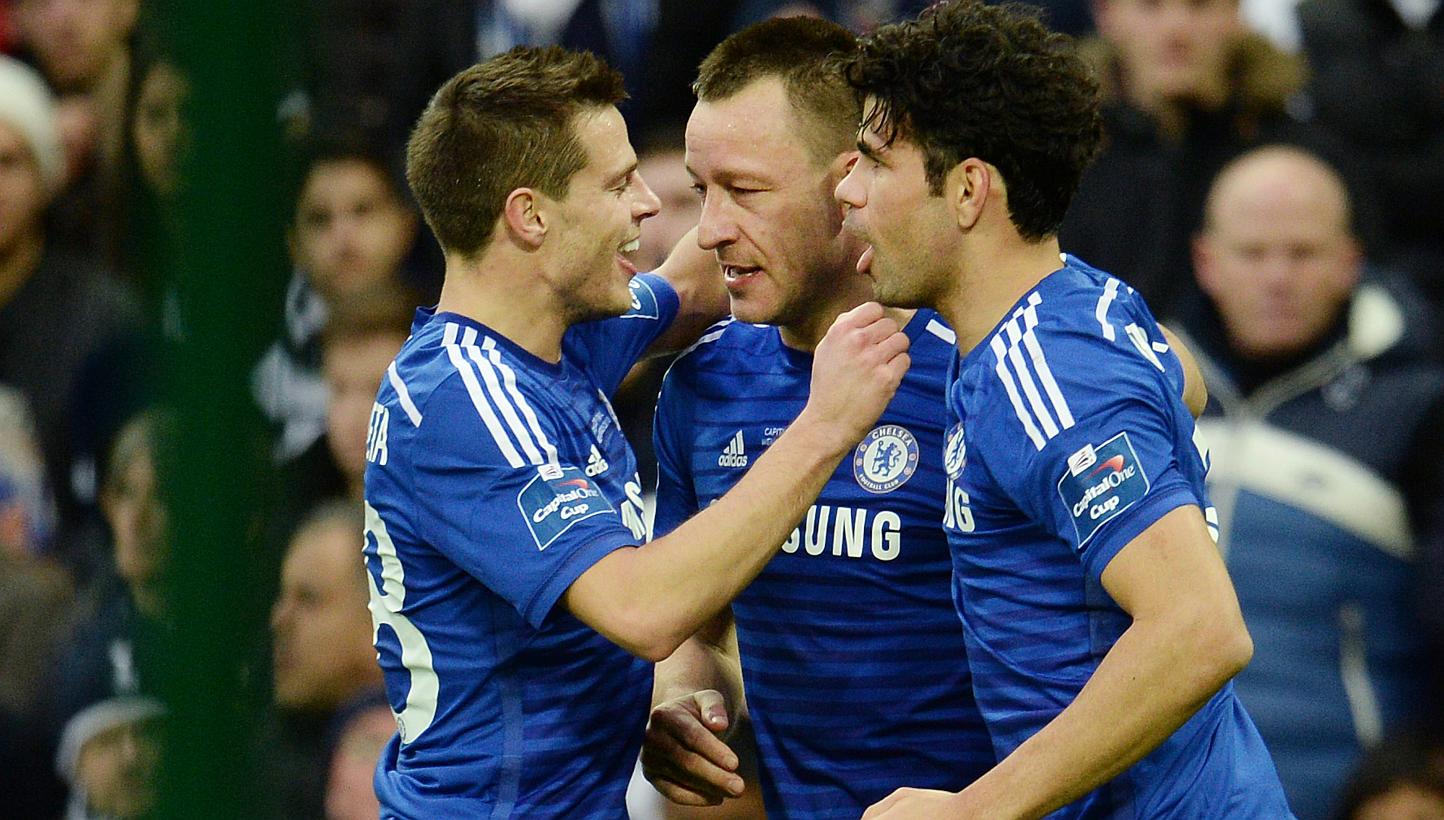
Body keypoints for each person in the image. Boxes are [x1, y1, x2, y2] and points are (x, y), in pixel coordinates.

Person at [365, 44, 909, 816]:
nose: (651, 208)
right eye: (619, 184)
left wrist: (824, 173)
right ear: (530, 216)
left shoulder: (557, 336)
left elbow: (695, 278)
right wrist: (825, 426)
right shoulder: (463, 400)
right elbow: (644, 610)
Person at [833, 1, 1291, 815]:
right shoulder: (1069, 306)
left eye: (873, 161)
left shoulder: (1046, 368)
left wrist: (974, 811)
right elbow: (1180, 381)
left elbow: (1200, 627)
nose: (846, 188)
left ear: (967, 190)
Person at [642, 17, 991, 819]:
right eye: (702, 191)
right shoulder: (702, 385)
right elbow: (694, 627)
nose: (709, 230)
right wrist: (684, 697)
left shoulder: (982, 366)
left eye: (744, 191)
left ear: (849, 184)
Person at [1185, 145, 1444, 819]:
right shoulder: (1141, 392)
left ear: (1349, 262)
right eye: (1253, 253)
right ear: (1207, 262)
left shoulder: (1418, 410)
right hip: (1165, 797)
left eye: (1302, 254)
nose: (1277, 277)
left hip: (1340, 794)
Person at [252, 139, 419, 463]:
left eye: (362, 210)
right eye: (320, 219)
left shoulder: (455, 342)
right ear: (293, 243)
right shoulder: (251, 371)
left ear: (405, 223)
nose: (343, 238)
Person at [266, 501, 384, 819]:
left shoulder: (397, 766)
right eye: (283, 596)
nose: (279, 620)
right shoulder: (292, 743)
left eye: (309, 599)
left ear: (381, 618)